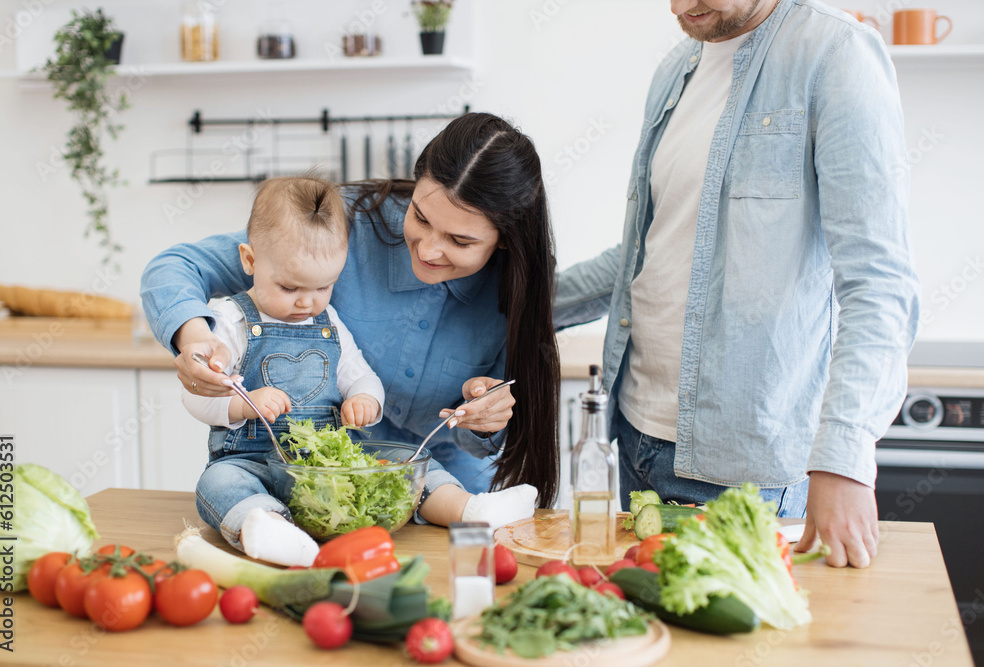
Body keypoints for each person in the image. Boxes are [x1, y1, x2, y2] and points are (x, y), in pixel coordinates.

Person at [555, 0, 920, 569]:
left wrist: (844, 457)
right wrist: (512, 298)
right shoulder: (677, 67)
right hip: (636, 441)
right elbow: (640, 256)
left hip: (747, 465)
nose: (681, 6)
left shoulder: (835, 54)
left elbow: (878, 282)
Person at [141, 113, 560, 532]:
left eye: (460, 241)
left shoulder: (516, 290)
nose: (430, 249)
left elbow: (476, 441)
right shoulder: (344, 227)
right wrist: (195, 337)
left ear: (505, 237)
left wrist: (486, 418)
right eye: (421, 217)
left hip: (442, 483)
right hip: (319, 477)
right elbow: (177, 267)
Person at [182, 176, 385, 566]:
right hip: (250, 464)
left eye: (324, 287)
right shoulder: (229, 320)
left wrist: (365, 399)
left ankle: (469, 508)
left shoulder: (329, 322)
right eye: (290, 288)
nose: (307, 302)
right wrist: (242, 405)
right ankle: (269, 528)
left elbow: (361, 374)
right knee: (218, 484)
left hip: (321, 470)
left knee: (403, 468)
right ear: (250, 260)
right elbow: (195, 394)